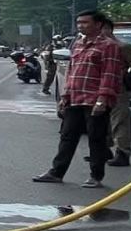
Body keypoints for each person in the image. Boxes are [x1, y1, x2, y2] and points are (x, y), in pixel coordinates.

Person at [33, 10, 122, 189]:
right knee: (67, 136)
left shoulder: (108, 46)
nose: (81, 26)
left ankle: (96, 176)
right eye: (79, 23)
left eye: (85, 22)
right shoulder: (78, 44)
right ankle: (56, 172)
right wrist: (65, 96)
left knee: (96, 139)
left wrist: (102, 99)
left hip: (94, 100)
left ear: (98, 24)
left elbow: (110, 74)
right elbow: (72, 72)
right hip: (75, 98)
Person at [105, 18, 131, 167]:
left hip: (118, 89)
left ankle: (122, 152)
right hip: (99, 88)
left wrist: (124, 77)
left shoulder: (124, 47)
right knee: (101, 120)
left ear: (109, 29)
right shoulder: (97, 46)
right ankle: (103, 150)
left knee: (119, 121)